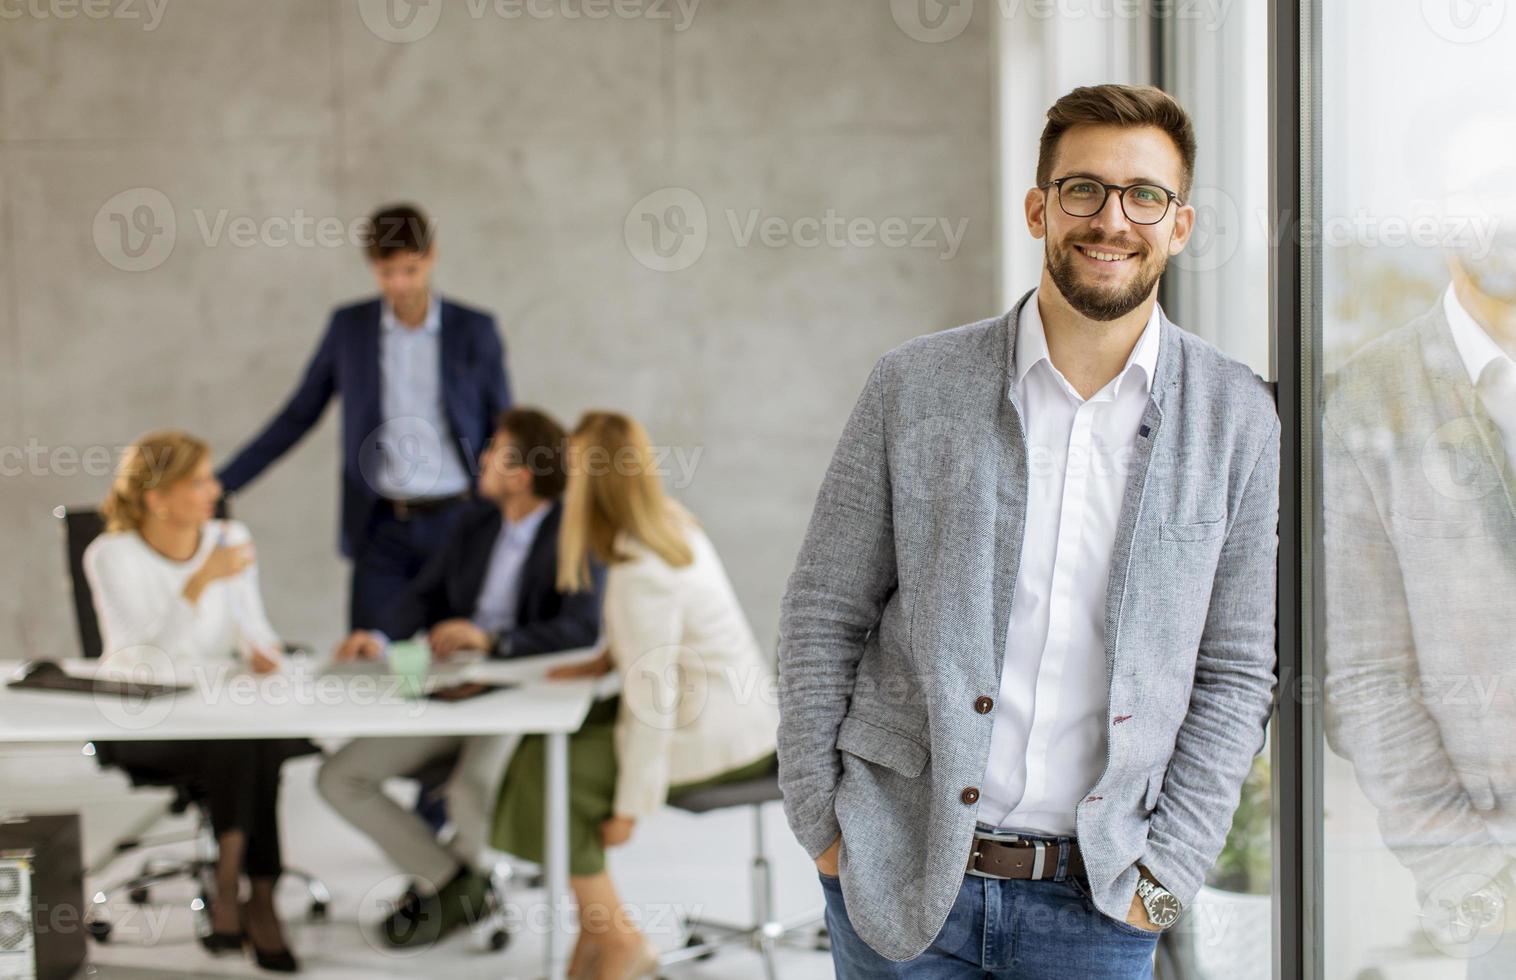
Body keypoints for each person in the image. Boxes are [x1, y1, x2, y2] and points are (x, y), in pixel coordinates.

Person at [777, 83, 1280, 977]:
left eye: (1144, 196)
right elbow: (823, 609)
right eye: (1083, 189)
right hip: (898, 876)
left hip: (1099, 902)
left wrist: (1166, 880)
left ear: (1181, 224)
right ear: (1038, 208)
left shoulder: (1237, 416)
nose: (1111, 219)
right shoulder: (914, 385)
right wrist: (823, 825)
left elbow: (1237, 669)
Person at [490, 411, 780, 980]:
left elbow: (654, 702)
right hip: (739, 716)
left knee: (553, 778)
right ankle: (596, 936)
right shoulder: (668, 526)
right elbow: (662, 646)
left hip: (711, 732)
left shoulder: (639, 566)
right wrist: (605, 658)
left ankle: (620, 941)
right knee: (540, 752)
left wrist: (629, 809)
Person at [315, 407, 604, 947]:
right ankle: (456, 884)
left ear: (521, 474)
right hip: (456, 689)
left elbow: (581, 627)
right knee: (340, 777)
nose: (483, 459)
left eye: (495, 450)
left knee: (471, 792)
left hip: (525, 695)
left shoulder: (573, 531)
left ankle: (451, 898)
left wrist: (492, 640)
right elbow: (422, 595)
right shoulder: (474, 521)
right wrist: (377, 638)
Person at [216, 202, 512, 631]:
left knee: (455, 657)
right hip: (381, 523)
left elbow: (503, 426)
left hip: (460, 519)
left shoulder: (475, 329)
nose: (399, 285)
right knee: (370, 659)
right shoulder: (349, 328)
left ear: (431, 257)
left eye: (410, 271)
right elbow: (299, 414)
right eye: (386, 272)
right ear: (372, 266)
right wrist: (225, 483)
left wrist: (519, 508)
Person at [84, 430, 301, 973]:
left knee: (252, 740)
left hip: (228, 712)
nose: (215, 490)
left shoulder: (230, 537)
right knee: (246, 746)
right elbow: (140, 660)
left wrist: (262, 653)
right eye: (199, 480)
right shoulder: (111, 554)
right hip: (150, 724)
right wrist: (200, 580)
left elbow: (256, 631)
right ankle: (248, 895)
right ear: (157, 497)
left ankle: (250, 892)